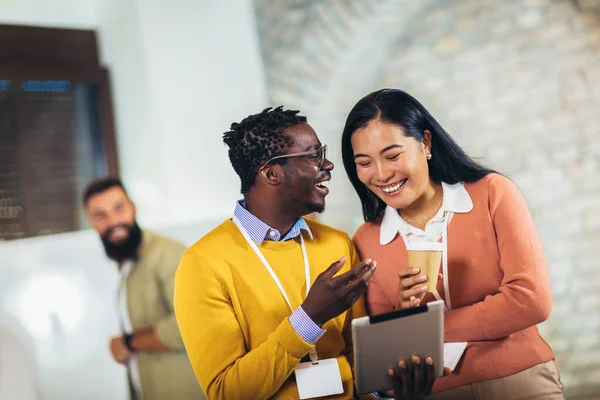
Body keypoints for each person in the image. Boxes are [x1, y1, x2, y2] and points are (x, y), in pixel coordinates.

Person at [174, 106, 439, 400]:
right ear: (271, 173)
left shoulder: (336, 244)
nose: (328, 166)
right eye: (314, 156)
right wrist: (308, 319)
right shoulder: (202, 264)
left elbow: (358, 360)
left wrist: (390, 390)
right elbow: (226, 392)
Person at [341, 88, 564, 399]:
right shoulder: (365, 240)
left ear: (426, 143)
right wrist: (404, 311)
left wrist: (422, 329)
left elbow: (530, 300)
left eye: (392, 155)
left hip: (519, 380)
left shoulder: (492, 193)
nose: (381, 174)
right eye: (364, 162)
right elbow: (383, 359)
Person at [83, 178, 206, 400]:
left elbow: (192, 324)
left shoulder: (166, 253)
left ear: (133, 206)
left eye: (118, 208)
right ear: (91, 221)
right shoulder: (127, 266)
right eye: (100, 215)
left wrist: (128, 342)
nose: (113, 222)